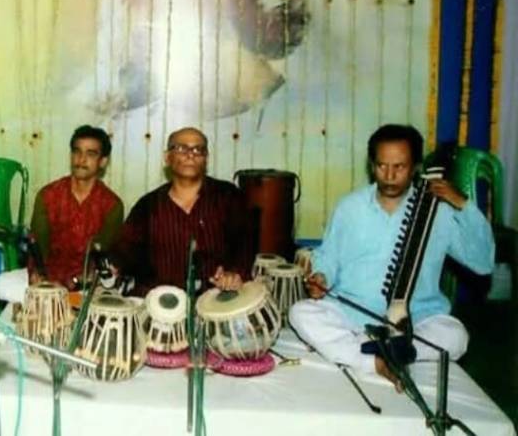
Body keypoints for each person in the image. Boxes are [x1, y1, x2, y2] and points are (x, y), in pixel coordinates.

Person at [289, 124, 494, 385]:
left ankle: (386, 350)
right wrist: (321, 277)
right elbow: (328, 257)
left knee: (456, 335)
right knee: (300, 313)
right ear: (371, 165)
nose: (389, 176)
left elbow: (482, 263)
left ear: (416, 167)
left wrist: (463, 204)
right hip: (353, 314)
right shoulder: (350, 207)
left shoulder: (436, 211)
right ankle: (376, 361)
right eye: (381, 166)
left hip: (416, 319)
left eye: (399, 167)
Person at [110, 127, 254, 295]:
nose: (190, 154)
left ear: (206, 158)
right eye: (181, 148)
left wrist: (234, 272)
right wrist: (113, 266)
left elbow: (246, 243)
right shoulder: (148, 206)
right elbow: (125, 250)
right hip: (159, 301)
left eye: (198, 149)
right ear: (167, 157)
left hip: (215, 299)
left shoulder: (228, 196)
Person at [29, 125, 123, 289]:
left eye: (90, 154)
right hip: (49, 281)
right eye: (77, 151)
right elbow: (37, 249)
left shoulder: (112, 205)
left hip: (88, 285)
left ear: (103, 161)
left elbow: (105, 255)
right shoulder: (47, 196)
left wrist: (80, 281)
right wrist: (39, 275)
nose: (81, 159)